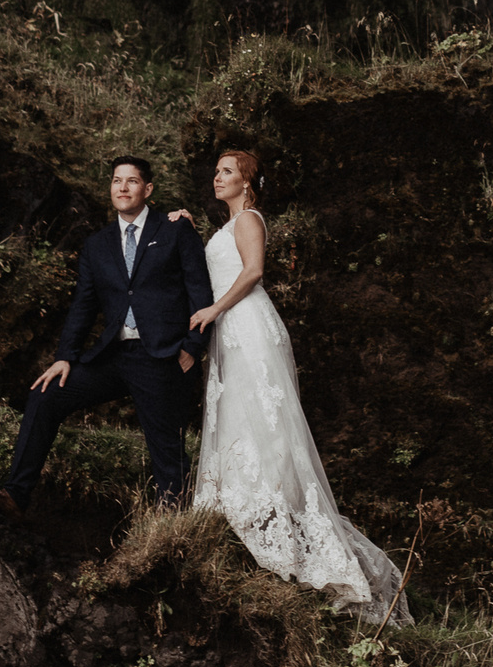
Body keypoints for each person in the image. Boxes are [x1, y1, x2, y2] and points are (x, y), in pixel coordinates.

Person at [172, 149, 407, 622]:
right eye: (216, 171)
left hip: (248, 328)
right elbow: (213, 265)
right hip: (231, 333)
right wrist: (188, 228)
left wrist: (214, 311)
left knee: (265, 420)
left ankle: (286, 532)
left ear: (247, 181)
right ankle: (251, 515)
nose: (217, 177)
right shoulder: (228, 224)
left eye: (227, 172)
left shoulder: (250, 219)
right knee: (240, 418)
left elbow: (253, 271)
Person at [0, 156, 215, 518]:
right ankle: (15, 494)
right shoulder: (97, 244)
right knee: (45, 395)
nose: (122, 187)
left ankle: (173, 528)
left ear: (147, 189)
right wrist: (64, 357)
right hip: (113, 355)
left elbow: (200, 294)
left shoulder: (175, 230)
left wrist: (191, 349)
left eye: (132, 181)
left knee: (167, 451)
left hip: (161, 356)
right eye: (116, 181)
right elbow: (83, 306)